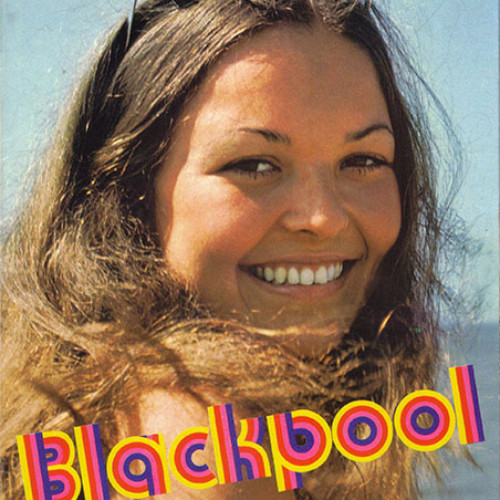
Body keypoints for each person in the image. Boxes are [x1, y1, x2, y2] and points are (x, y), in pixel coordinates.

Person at [1, 0, 460, 498]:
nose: (323, 217)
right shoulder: (211, 451)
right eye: (255, 166)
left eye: (363, 160)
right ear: (132, 191)